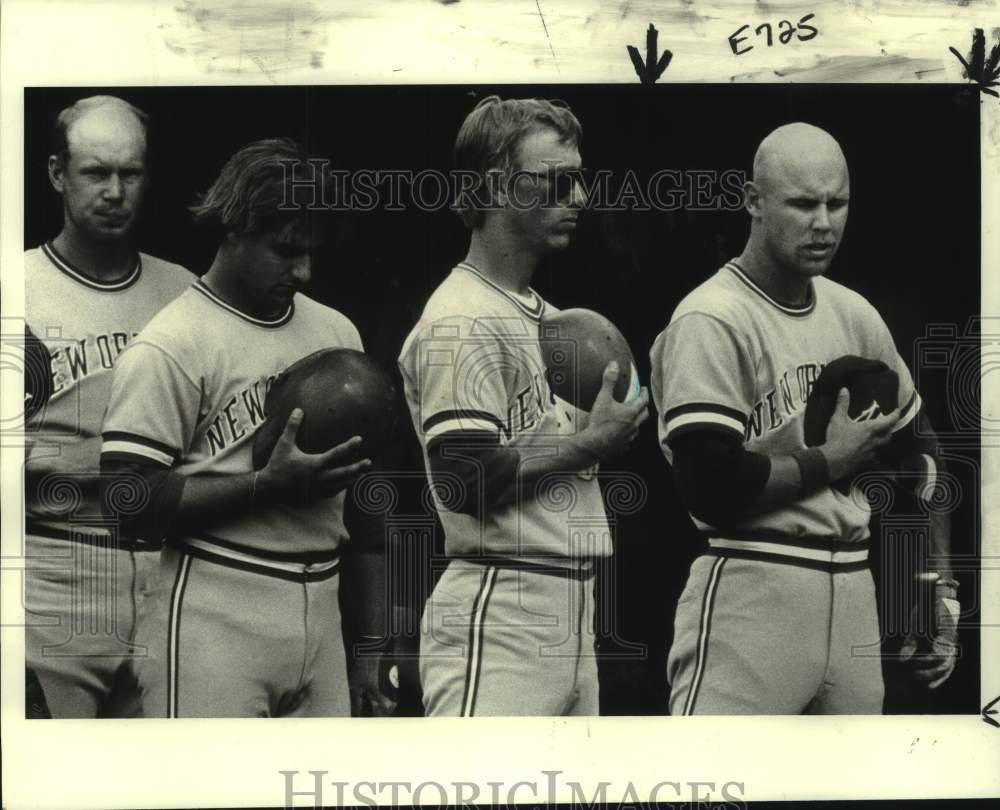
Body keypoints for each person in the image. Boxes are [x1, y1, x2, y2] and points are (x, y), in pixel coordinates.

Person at [650, 122, 959, 715]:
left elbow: (922, 453)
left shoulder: (853, 312)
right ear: (753, 202)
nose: (823, 222)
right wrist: (832, 460)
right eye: (802, 203)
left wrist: (935, 589)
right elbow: (710, 485)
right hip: (751, 579)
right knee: (722, 786)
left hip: (853, 589)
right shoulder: (711, 318)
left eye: (836, 203)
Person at [99, 139, 393, 717]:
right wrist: (265, 486)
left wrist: (370, 642)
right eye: (285, 251)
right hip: (216, 606)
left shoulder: (337, 331)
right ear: (234, 227)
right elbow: (126, 500)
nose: (303, 271)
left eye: (311, 252)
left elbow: (366, 499)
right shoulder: (173, 342)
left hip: (323, 607)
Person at [398, 96, 649, 716]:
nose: (580, 197)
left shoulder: (543, 314)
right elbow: (463, 480)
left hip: (570, 601)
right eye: (558, 181)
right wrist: (592, 444)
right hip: (499, 602)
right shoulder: (459, 315)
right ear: (495, 188)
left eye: (580, 179)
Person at [23, 95, 194, 718]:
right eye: (97, 173)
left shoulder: (183, 292)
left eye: (132, 173)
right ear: (56, 174)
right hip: (51, 572)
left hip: (167, 572)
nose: (116, 191)